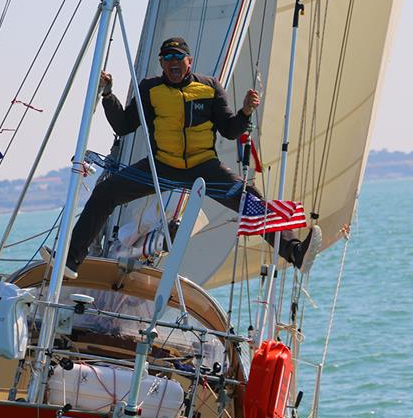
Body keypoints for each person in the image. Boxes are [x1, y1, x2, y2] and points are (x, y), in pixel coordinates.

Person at [62, 37, 318, 279]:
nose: (173, 61)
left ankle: (294, 252)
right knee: (106, 192)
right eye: (167, 57)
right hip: (161, 167)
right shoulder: (150, 89)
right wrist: (108, 95)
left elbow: (230, 130)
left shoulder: (209, 87)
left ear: (189, 61)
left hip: (204, 168)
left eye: (179, 57)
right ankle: (70, 260)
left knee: (252, 201)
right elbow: (124, 125)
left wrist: (245, 112)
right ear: (161, 63)